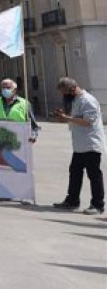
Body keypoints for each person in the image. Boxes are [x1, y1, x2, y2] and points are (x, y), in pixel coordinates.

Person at [52, 77, 105, 215]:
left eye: (65, 92)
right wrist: (64, 116)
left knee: (94, 175)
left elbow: (88, 121)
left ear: (73, 89)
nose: (64, 96)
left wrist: (68, 118)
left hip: (91, 144)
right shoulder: (76, 100)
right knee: (75, 172)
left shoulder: (88, 100)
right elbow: (76, 119)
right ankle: (72, 200)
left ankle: (98, 205)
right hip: (79, 145)